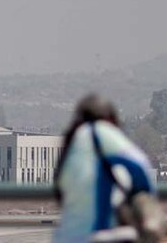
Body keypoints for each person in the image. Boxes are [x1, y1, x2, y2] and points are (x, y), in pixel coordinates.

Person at [54, 94, 159, 243]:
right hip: (99, 235)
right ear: (110, 118)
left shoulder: (70, 144)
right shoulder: (100, 132)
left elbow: (60, 193)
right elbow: (141, 167)